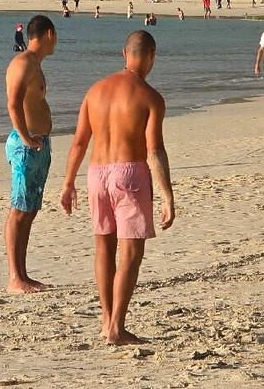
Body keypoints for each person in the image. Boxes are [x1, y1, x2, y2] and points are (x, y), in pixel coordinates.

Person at [59, 30, 174, 345]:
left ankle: (106, 321)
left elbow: (79, 142)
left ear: (124, 53)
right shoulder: (150, 97)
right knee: (131, 254)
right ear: (151, 56)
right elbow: (154, 151)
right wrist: (167, 194)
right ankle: (116, 328)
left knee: (104, 249)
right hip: (130, 174)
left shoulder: (95, 91)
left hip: (96, 174)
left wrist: (68, 183)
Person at [4, 14, 58, 293]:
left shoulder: (36, 64)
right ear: (49, 34)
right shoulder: (22, 63)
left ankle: (23, 275)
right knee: (18, 210)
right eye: (56, 35)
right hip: (26, 146)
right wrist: (26, 139)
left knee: (30, 210)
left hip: (38, 144)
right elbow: (13, 104)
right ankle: (15, 278)